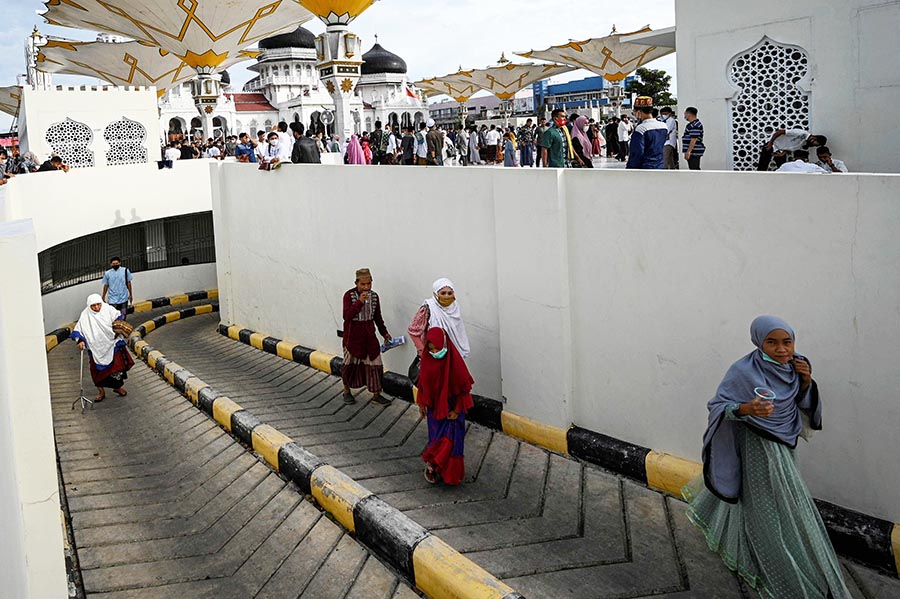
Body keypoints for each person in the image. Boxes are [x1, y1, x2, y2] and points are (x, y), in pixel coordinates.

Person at [684, 316, 851, 599]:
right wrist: (748, 408)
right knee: (767, 501)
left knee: (767, 495)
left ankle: (750, 535)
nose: (781, 349)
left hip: (784, 445)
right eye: (771, 342)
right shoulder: (742, 370)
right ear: (759, 342)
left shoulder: (795, 367)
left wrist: (807, 380)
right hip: (755, 445)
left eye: (787, 341)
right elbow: (719, 406)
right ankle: (771, 555)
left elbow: (801, 402)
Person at [417, 327, 475, 485]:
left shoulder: (455, 362)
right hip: (435, 410)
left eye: (437, 348)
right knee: (436, 439)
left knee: (453, 442)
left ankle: (451, 474)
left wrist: (457, 410)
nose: (435, 352)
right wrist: (422, 405)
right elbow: (422, 386)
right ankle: (433, 467)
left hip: (452, 408)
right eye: (431, 349)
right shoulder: (427, 361)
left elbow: (463, 389)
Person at [341, 269, 392, 406]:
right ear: (356, 283)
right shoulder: (349, 296)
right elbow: (347, 316)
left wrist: (384, 333)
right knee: (349, 365)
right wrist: (359, 302)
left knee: (375, 365)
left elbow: (377, 317)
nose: (366, 287)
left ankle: (376, 394)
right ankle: (346, 391)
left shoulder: (374, 297)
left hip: (369, 337)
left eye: (369, 284)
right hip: (352, 338)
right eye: (363, 284)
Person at [70, 294, 135, 402]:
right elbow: (78, 330)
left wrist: (119, 324)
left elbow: (118, 317)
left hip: (111, 343)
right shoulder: (85, 315)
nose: (96, 308)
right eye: (93, 306)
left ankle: (117, 387)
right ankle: (101, 392)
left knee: (117, 368)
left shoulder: (108, 309)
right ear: (89, 306)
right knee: (96, 373)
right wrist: (80, 341)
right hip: (95, 348)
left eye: (98, 305)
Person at [407, 278, 471, 360]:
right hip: (434, 355)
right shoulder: (428, 308)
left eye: (450, 293)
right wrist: (423, 352)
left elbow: (459, 331)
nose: (446, 296)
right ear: (436, 294)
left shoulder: (455, 308)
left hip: (454, 355)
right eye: (443, 293)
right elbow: (413, 331)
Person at [626, 97, 667, 169]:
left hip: (645, 167)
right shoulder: (663, 126)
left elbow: (637, 153)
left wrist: (631, 167)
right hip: (660, 165)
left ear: (639, 112)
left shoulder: (641, 128)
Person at [758, 129, 826, 171]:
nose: (814, 146)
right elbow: (780, 132)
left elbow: (790, 148)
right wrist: (770, 143)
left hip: (781, 150)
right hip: (773, 144)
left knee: (783, 167)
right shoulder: (801, 133)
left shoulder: (804, 144)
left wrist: (783, 153)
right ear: (814, 138)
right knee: (763, 164)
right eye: (815, 144)